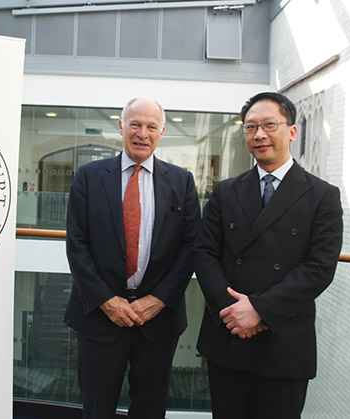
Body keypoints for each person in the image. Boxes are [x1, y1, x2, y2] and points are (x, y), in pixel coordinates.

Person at [194, 92, 343, 419]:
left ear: (291, 131)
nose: (259, 135)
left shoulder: (322, 196)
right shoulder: (226, 190)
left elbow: (319, 268)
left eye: (268, 125)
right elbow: (204, 253)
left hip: (284, 341)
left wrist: (259, 309)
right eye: (250, 128)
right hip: (229, 337)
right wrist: (233, 313)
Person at [64, 98, 201, 418]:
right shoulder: (89, 176)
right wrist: (107, 301)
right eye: (135, 124)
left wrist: (159, 299)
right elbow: (77, 244)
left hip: (158, 320)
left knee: (151, 410)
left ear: (162, 132)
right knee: (97, 408)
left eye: (151, 126)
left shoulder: (182, 182)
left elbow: (191, 246)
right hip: (100, 317)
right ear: (121, 126)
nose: (142, 133)